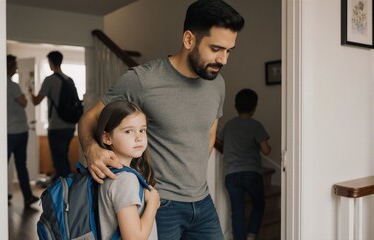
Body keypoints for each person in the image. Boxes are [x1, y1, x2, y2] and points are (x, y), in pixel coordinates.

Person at [78, 0, 245, 239]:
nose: (224, 60)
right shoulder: (142, 80)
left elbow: (208, 133)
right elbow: (90, 117)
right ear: (189, 40)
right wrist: (92, 149)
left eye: (229, 51)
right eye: (216, 49)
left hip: (202, 202)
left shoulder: (217, 84)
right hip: (159, 203)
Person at [95, 100, 159, 240]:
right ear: (107, 138)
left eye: (142, 130)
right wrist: (153, 203)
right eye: (128, 131)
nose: (139, 137)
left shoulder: (104, 172)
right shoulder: (125, 179)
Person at [222, 88, 271, 240]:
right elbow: (266, 150)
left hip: (231, 174)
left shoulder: (229, 126)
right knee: (259, 204)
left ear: (236, 106)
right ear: (254, 107)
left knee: (237, 211)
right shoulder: (256, 125)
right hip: (251, 173)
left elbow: (224, 146)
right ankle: (251, 235)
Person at [29, 51, 75, 181]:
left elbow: (36, 101)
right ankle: (67, 188)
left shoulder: (50, 80)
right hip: (70, 126)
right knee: (64, 158)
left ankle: (63, 192)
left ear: (51, 62)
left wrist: (30, 92)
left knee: (59, 160)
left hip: (56, 126)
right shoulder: (69, 80)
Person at [6, 54, 39, 207]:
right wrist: (26, 96)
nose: (17, 68)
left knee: (3, 164)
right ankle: (27, 197)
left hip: (8, 132)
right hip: (17, 132)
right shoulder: (12, 85)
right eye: (15, 65)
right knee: (21, 165)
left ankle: (3, 195)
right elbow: (24, 103)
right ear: (10, 67)